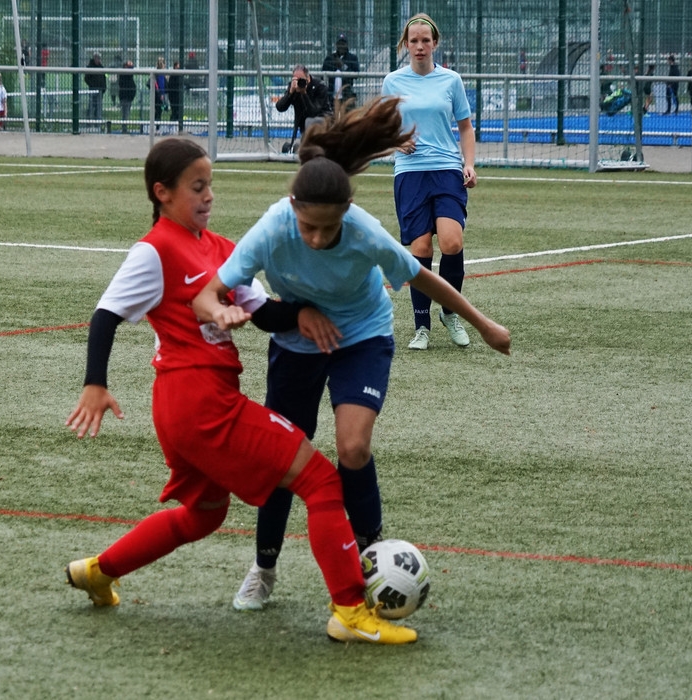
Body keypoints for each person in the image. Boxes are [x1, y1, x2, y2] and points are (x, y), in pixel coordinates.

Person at [63, 137, 417, 646]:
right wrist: (95, 383)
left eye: (210, 185)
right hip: (199, 403)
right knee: (321, 480)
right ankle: (349, 610)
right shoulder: (155, 250)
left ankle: (98, 571)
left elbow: (264, 311)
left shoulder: (218, 247)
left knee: (204, 516)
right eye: (197, 187)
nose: (208, 196)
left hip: (189, 408)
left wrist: (301, 311)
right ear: (162, 193)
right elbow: (105, 315)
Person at [197, 97, 511, 611]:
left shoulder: (365, 232)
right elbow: (207, 293)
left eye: (330, 227)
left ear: (346, 212)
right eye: (308, 227)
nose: (318, 238)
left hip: (362, 336)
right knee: (282, 457)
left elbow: (423, 277)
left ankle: (371, 557)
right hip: (297, 346)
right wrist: (220, 311)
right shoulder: (273, 227)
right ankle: (264, 567)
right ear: (293, 207)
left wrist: (485, 325)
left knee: (353, 447)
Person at [381, 13, 477, 351]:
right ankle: (421, 327)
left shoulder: (451, 80)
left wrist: (468, 164)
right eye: (414, 41)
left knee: (452, 242)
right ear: (405, 45)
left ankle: (450, 313)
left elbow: (465, 127)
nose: (420, 46)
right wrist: (396, 141)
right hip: (409, 173)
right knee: (420, 249)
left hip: (447, 170)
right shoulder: (392, 82)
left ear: (435, 43)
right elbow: (382, 128)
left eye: (425, 40)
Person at [275, 65, 332, 151]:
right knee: (289, 148)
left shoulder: (320, 86)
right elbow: (280, 107)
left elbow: (314, 112)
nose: (299, 82)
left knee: (309, 121)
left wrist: (304, 94)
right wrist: (290, 93)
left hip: (322, 122)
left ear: (308, 78)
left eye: (301, 79)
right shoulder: (293, 87)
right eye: (296, 79)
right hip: (304, 126)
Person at [321, 33, 360, 106]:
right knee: (331, 113)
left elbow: (356, 75)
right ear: (336, 45)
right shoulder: (330, 58)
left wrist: (343, 66)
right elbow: (322, 76)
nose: (341, 46)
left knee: (348, 112)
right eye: (339, 44)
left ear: (347, 45)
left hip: (347, 95)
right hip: (331, 96)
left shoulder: (352, 58)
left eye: (343, 44)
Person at [84, 52, 107, 123]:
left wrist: (104, 87)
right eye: (97, 58)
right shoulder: (90, 67)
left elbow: (104, 78)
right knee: (91, 106)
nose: (99, 60)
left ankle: (98, 123)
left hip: (100, 90)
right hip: (93, 89)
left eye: (99, 58)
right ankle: (89, 122)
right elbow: (86, 79)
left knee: (98, 107)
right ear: (94, 58)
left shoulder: (101, 67)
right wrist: (92, 85)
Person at [118, 61, 137, 134]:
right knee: (125, 114)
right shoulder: (124, 75)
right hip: (125, 96)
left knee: (126, 113)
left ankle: (125, 128)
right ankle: (124, 129)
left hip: (128, 97)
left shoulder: (128, 75)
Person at [167, 61, 184, 125]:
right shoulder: (174, 75)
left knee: (177, 111)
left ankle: (176, 123)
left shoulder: (178, 75)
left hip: (176, 95)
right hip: (173, 96)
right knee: (175, 110)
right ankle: (172, 123)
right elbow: (172, 85)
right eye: (178, 66)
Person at [153, 56, 168, 122]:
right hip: (159, 95)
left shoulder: (157, 73)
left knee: (157, 110)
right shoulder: (161, 74)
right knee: (159, 111)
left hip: (156, 94)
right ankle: (157, 125)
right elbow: (161, 85)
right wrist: (162, 94)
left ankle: (156, 124)